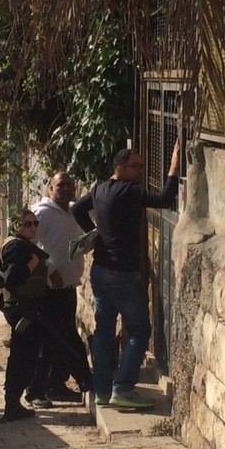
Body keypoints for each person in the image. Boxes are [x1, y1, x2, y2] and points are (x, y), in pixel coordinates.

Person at [71, 139, 181, 409]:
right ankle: (122, 389)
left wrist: (94, 233)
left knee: (103, 332)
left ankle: (101, 391)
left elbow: (77, 209)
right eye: (136, 166)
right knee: (140, 330)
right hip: (124, 275)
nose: (141, 170)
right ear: (120, 169)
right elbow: (164, 199)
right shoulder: (129, 192)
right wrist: (173, 167)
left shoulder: (100, 189)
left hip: (100, 272)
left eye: (141, 165)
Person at [26, 172, 93, 408]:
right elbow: (28, 244)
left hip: (68, 286)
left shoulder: (74, 211)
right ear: (50, 189)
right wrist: (49, 270)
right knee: (49, 339)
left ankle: (56, 385)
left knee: (61, 337)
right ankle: (36, 391)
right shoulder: (42, 213)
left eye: (69, 185)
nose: (66, 189)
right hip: (49, 288)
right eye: (60, 185)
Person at [0, 209, 50, 421]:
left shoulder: (22, 244)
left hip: (26, 307)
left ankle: (14, 402)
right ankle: (12, 403)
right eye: (27, 224)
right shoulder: (16, 247)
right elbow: (12, 278)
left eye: (35, 223)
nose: (33, 227)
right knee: (22, 356)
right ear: (16, 226)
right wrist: (31, 264)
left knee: (26, 355)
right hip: (21, 309)